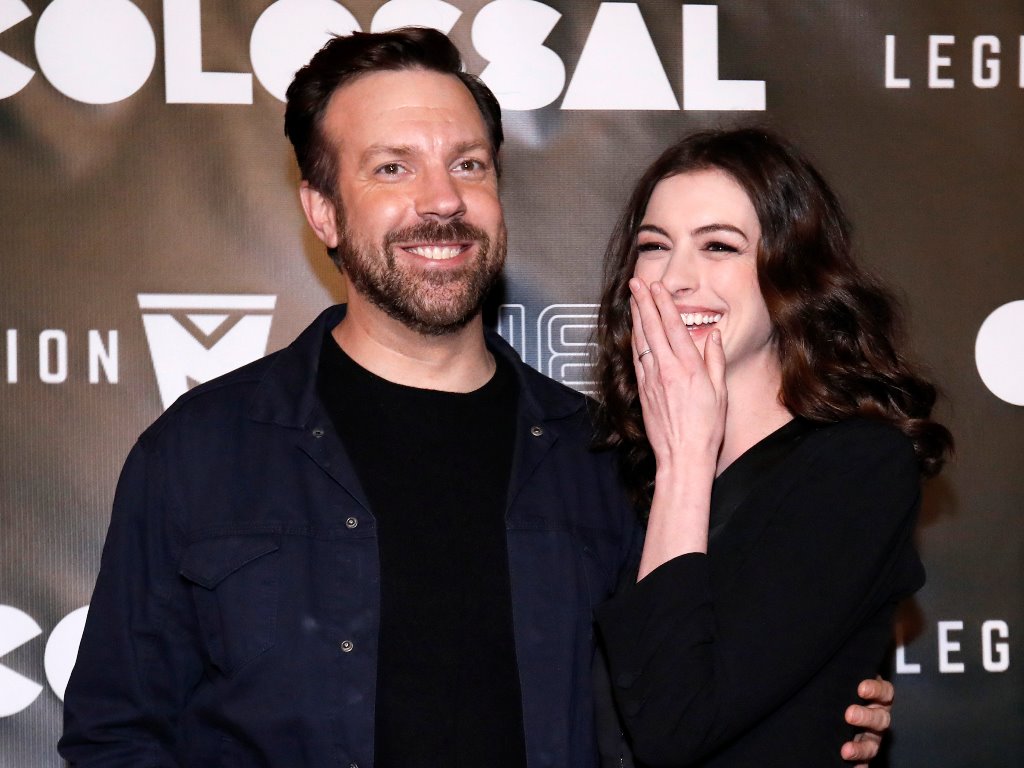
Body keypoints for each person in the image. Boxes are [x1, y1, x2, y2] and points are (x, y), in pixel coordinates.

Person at [59, 30, 895, 768]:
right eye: (393, 167)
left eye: (468, 164)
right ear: (323, 211)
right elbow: (117, 733)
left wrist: (811, 720)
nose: (441, 200)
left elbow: (682, 688)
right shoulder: (202, 451)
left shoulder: (608, 459)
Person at [592, 128, 953, 767]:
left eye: (719, 246)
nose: (677, 278)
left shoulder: (855, 467)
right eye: (654, 246)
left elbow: (672, 725)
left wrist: (684, 462)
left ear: (789, 270)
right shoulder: (602, 464)